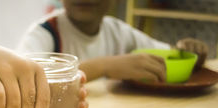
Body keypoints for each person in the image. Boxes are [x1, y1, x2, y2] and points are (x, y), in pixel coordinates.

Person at [17, 0, 209, 83]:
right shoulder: (45, 33)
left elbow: (171, 55)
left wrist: (190, 53)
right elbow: (23, 82)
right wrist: (104, 67)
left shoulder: (118, 31)